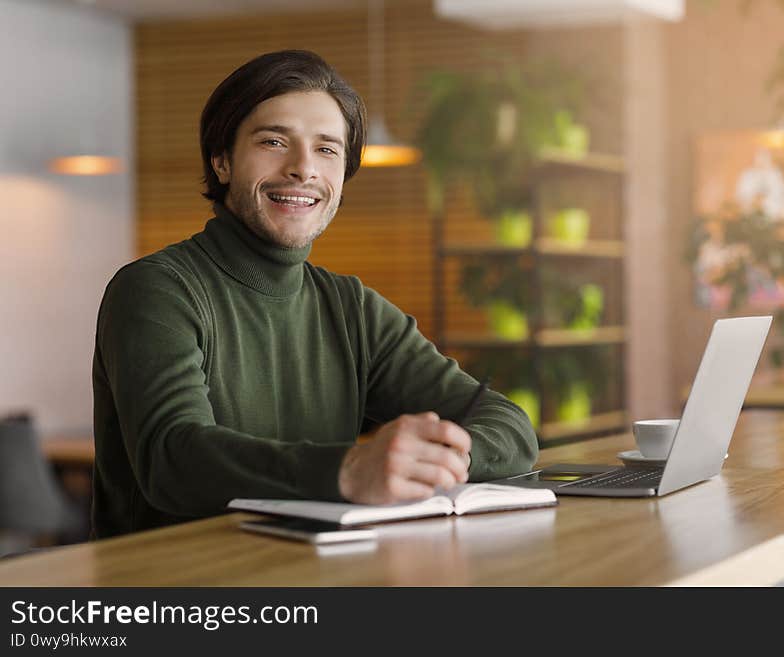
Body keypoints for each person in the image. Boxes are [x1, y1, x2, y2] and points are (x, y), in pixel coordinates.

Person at [91, 50, 538, 538]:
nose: (303, 168)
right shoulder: (157, 289)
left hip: (318, 573)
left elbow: (508, 427)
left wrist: (433, 461)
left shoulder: (353, 309)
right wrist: (348, 470)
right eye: (274, 141)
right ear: (221, 160)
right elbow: (173, 459)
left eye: (327, 149)